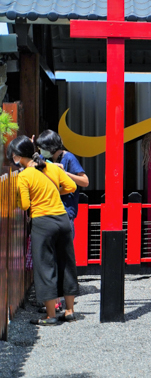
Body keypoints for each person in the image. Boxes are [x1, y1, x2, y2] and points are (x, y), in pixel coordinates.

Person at [8, 136, 79, 326]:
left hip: (43, 222)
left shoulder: (24, 176)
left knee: (45, 267)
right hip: (62, 219)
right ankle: (70, 311)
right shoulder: (52, 168)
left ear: (16, 156)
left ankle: (51, 315)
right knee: (66, 263)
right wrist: (55, 191)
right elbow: (72, 186)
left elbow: (24, 205)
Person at [35, 129, 89, 312]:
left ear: (50, 147)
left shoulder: (68, 158)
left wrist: (63, 173)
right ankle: (55, 301)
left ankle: (61, 303)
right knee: (52, 259)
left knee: (62, 259)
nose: (41, 151)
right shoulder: (46, 160)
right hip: (50, 211)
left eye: (43, 148)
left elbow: (85, 181)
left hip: (65, 213)